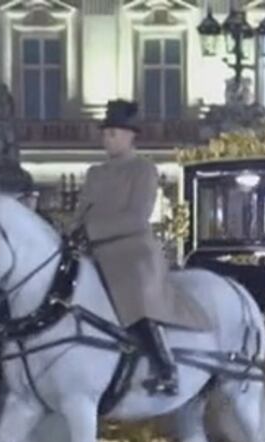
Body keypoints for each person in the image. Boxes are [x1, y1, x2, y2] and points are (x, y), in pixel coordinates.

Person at [72, 99, 209, 395]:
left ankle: (165, 367)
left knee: (135, 292)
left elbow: (137, 217)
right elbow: (82, 210)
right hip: (95, 251)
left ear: (130, 136)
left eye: (113, 133)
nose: (107, 139)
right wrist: (72, 231)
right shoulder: (95, 173)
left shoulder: (143, 170)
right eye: (105, 133)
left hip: (132, 252)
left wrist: (93, 230)